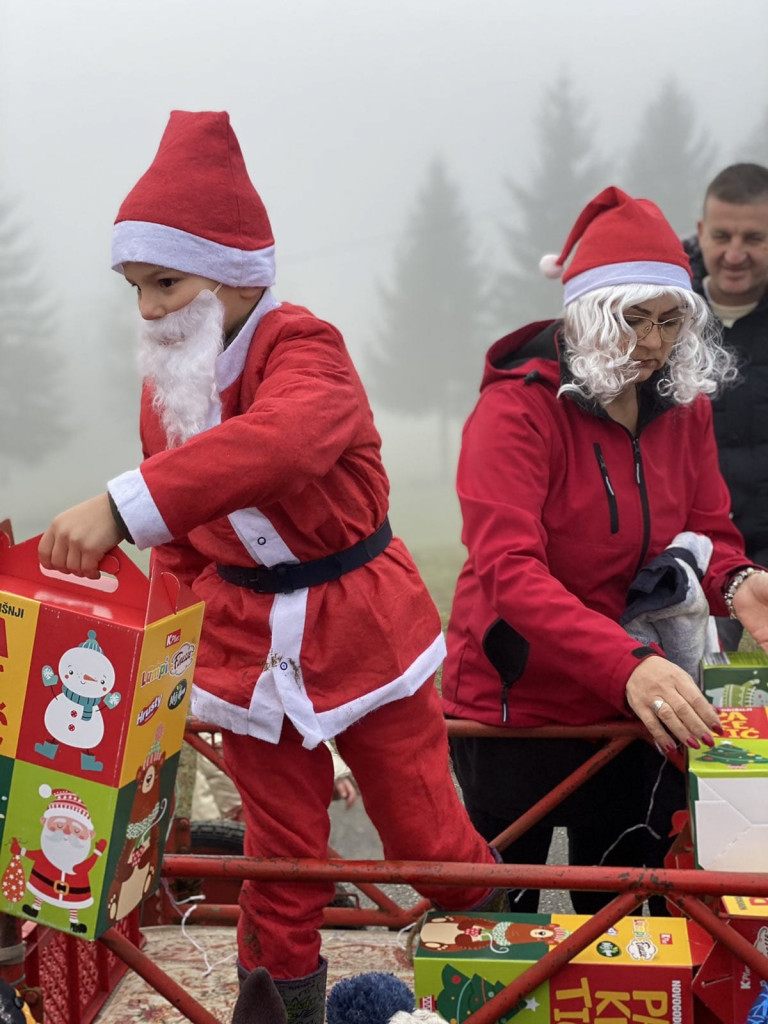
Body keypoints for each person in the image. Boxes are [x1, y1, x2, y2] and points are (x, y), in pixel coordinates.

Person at [38, 110, 502, 1024]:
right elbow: (180, 544)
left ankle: (502, 953)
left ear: (235, 273)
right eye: (135, 288)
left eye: (165, 283)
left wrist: (120, 505)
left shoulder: (308, 351)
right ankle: (277, 1008)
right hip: (248, 645)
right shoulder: (167, 384)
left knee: (427, 840)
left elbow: (280, 446)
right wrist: (159, 639)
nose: (150, 311)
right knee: (279, 859)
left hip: (360, 626)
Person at [442, 186, 768, 915]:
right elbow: (509, 572)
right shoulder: (516, 410)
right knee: (495, 920)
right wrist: (628, 666)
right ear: (587, 314)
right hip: (511, 704)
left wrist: (738, 577)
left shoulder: (684, 406)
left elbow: (708, 527)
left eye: (670, 321)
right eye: (632, 319)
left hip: (635, 707)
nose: (652, 344)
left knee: (621, 920)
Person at [684, 163, 768, 569]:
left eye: (753, 238)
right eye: (721, 237)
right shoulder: (659, 313)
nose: (735, 255)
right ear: (701, 232)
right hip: (695, 551)